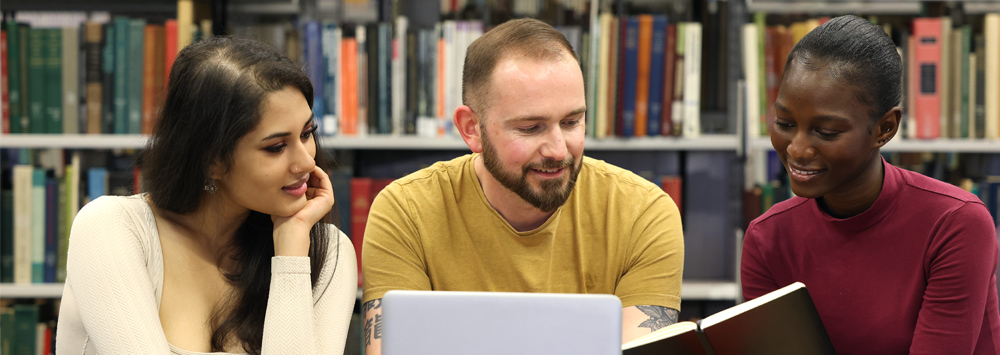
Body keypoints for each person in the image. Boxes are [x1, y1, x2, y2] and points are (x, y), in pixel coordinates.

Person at [360, 18, 684, 354]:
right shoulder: (405, 212)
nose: (559, 150)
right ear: (471, 128)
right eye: (531, 128)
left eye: (572, 122)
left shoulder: (643, 214)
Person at [56, 37, 357, 354]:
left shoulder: (328, 252)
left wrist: (291, 246)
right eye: (276, 147)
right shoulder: (110, 229)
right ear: (211, 159)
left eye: (307, 133)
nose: (307, 162)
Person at [741, 15, 1000, 355]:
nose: (797, 149)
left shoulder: (955, 224)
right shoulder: (767, 238)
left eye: (827, 131)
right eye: (785, 123)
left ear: (885, 128)